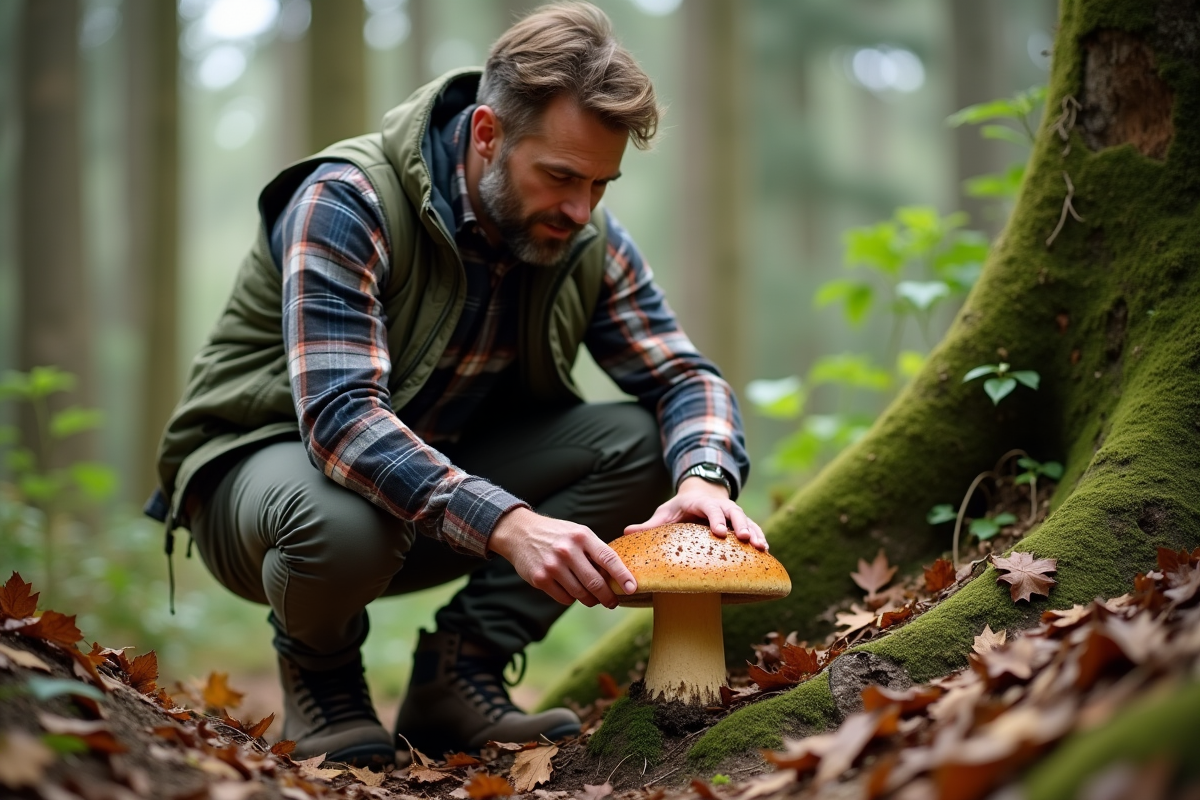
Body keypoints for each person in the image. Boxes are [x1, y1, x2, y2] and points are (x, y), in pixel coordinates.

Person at [147, 1, 763, 768]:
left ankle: (457, 676)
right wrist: (509, 523)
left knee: (646, 445)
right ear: (485, 134)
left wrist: (704, 477)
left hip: (437, 496)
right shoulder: (348, 199)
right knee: (345, 521)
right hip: (265, 487)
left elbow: (682, 377)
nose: (582, 209)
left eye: (602, 184)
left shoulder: (584, 237)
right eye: (562, 176)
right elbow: (341, 422)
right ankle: (322, 679)